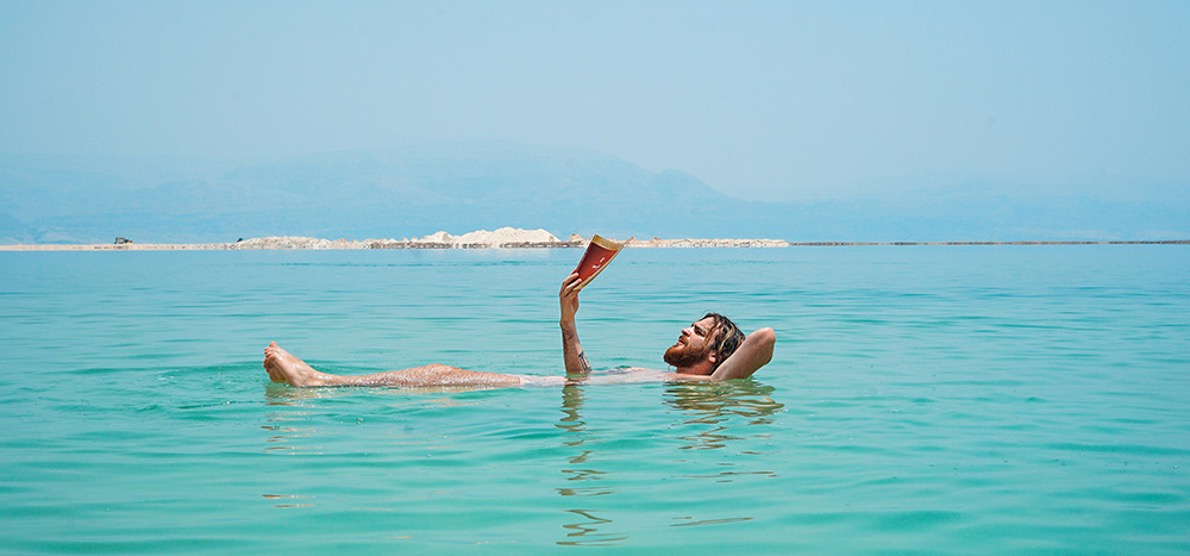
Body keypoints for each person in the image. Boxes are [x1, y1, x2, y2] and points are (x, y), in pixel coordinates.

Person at [263, 272, 776, 388]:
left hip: (534, 390)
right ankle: (322, 381)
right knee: (439, 375)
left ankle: (320, 382)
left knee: (438, 376)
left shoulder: (709, 388)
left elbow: (764, 338)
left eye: (698, 331)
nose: (684, 330)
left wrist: (720, 372)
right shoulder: (670, 381)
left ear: (716, 354)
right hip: (551, 387)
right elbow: (581, 379)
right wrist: (568, 319)